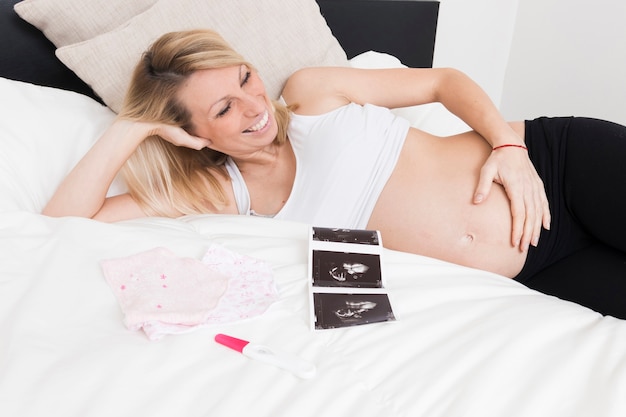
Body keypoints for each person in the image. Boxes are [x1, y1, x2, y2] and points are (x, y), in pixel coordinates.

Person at [43, 29, 626, 318]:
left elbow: (443, 81)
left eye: (244, 79)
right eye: (222, 109)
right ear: (195, 136)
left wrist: (507, 145)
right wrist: (132, 129)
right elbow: (64, 221)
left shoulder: (312, 94)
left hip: (555, 166)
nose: (252, 107)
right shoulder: (224, 196)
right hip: (532, 269)